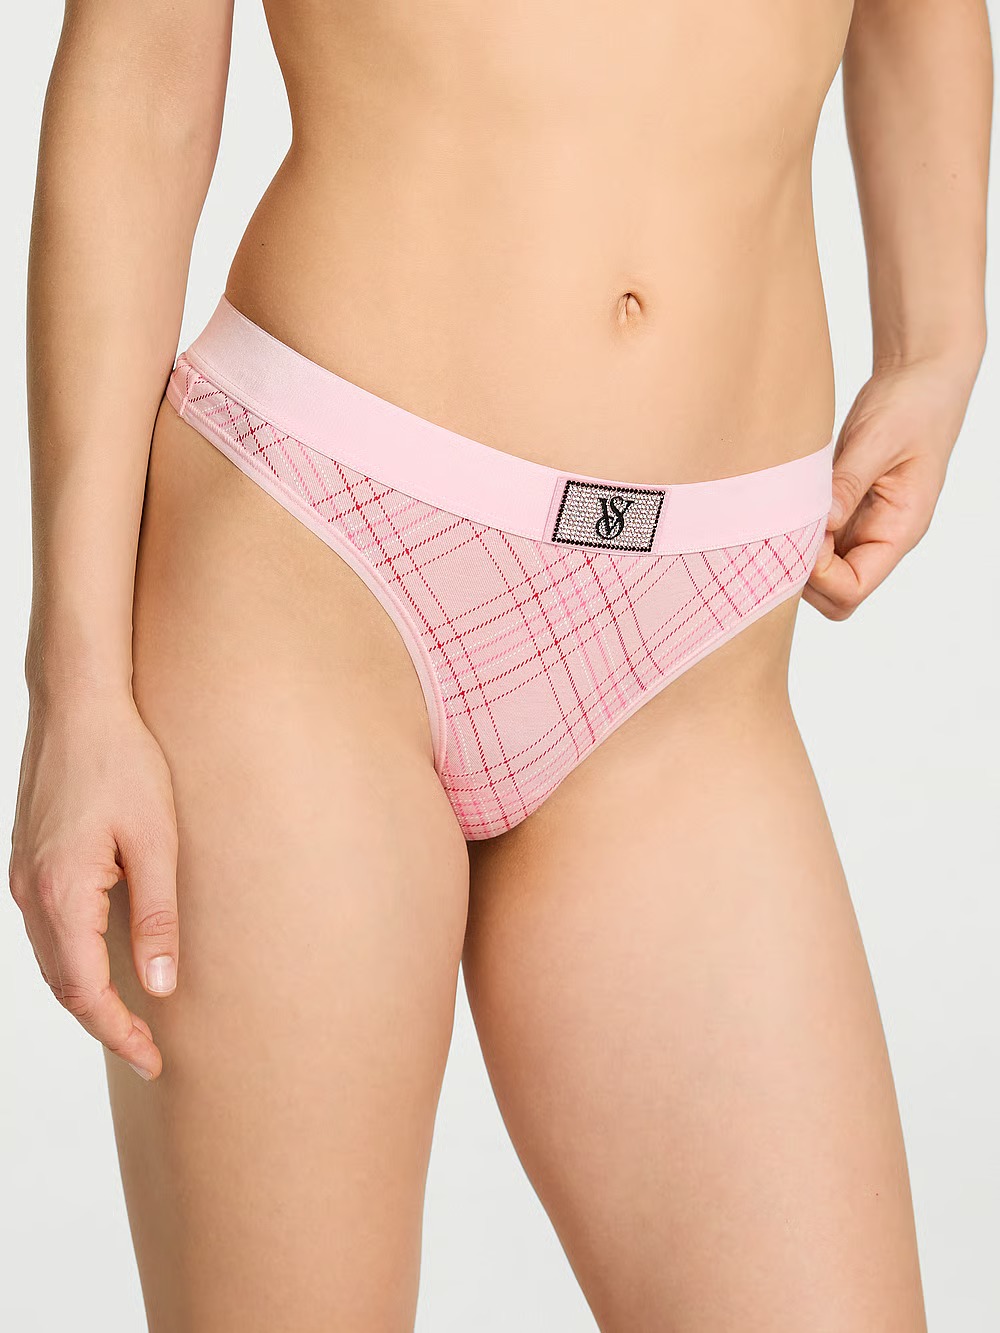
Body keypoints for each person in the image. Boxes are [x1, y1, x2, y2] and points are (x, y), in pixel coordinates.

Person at [10, 0, 991, 1328]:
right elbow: (142, 83)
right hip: (315, 566)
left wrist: (939, 336)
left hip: (693, 662)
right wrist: (77, 687)